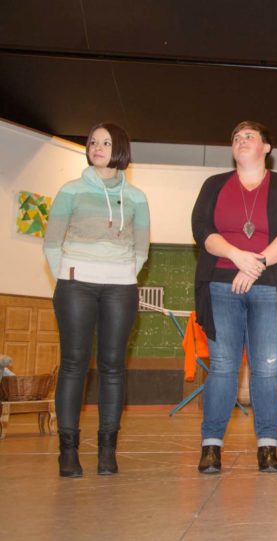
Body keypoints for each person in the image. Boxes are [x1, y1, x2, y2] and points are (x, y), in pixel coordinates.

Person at [191, 121, 277, 474]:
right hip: (221, 286)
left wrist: (255, 264)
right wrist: (236, 255)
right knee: (223, 366)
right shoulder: (214, 185)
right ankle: (211, 446)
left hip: (271, 286)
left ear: (266, 147)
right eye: (236, 137)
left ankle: (267, 446)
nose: (241, 141)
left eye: (249, 136)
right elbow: (201, 230)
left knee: (266, 368)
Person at [43, 122, 150, 477]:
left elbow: (141, 249)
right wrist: (69, 274)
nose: (97, 148)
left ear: (120, 149)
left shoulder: (136, 198)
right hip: (76, 283)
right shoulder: (70, 190)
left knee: (113, 366)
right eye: (93, 142)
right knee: (74, 364)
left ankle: (107, 451)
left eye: (105, 142)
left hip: (120, 286)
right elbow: (52, 243)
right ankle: (68, 452)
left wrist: (121, 273)